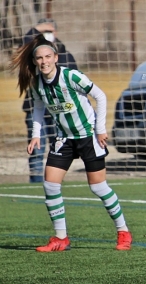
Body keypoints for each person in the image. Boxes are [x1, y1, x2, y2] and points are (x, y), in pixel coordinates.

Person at [9, 34, 133, 252]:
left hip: (87, 136)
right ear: (35, 61)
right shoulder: (37, 84)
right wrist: (36, 134)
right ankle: (61, 238)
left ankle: (123, 231)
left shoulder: (72, 77)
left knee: (98, 187)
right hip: (63, 138)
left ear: (56, 57)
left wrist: (100, 129)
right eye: (40, 58)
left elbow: (101, 96)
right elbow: (37, 107)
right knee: (50, 184)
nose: (44, 61)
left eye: (48, 56)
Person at [22, 18, 78, 183]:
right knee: (37, 148)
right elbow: (24, 42)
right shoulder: (32, 52)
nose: (44, 61)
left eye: (50, 31)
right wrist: (36, 29)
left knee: (58, 148)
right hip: (36, 107)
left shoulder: (65, 54)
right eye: (43, 32)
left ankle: (54, 181)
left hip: (59, 110)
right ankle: (36, 181)